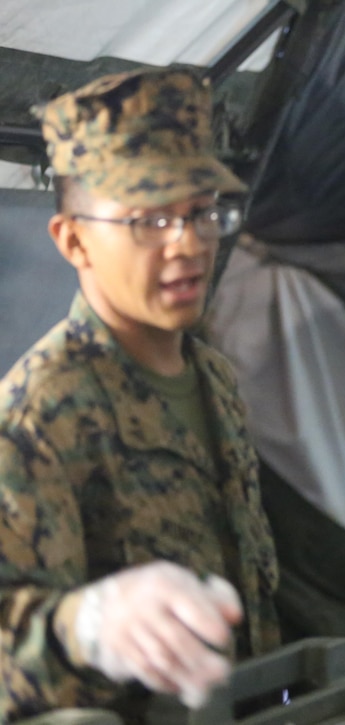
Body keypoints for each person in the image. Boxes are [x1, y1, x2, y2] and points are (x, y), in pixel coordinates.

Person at [0, 67, 280, 722]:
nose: (187, 244)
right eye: (149, 219)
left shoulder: (211, 378)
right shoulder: (39, 410)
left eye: (201, 212)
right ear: (74, 239)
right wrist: (89, 624)